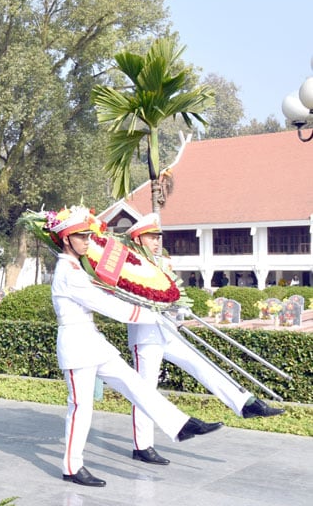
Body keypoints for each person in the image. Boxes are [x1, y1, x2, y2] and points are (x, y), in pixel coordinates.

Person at [47, 206, 222, 487]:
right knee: (81, 407)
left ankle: (179, 425)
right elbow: (104, 304)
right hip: (76, 345)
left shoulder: (77, 268)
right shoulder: (67, 272)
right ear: (66, 239)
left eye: (88, 236)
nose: (87, 241)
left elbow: (103, 293)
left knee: (135, 384)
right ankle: (72, 465)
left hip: (92, 340)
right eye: (81, 237)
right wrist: (148, 313)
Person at [125, 214, 283, 466]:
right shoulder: (129, 266)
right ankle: (142, 446)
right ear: (137, 238)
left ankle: (245, 404)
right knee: (146, 390)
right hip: (145, 334)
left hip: (168, 329)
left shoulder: (161, 263)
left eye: (157, 237)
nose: (156, 241)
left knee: (202, 363)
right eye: (151, 237)